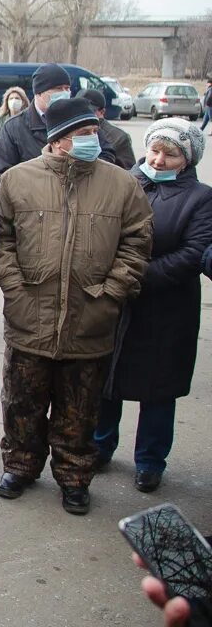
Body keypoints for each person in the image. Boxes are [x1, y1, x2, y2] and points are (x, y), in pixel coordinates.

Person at [0, 95, 152, 515]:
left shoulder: (121, 184)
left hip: (91, 317)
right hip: (31, 315)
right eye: (82, 134)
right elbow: (1, 241)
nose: (91, 139)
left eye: (93, 132)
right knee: (22, 402)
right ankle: (21, 466)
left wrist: (113, 291)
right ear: (59, 139)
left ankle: (74, 477)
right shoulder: (17, 180)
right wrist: (14, 288)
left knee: (79, 409)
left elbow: (137, 242)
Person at [94, 119, 212, 492]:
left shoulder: (201, 198)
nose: (159, 160)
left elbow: (193, 253)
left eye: (170, 154)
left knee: (158, 388)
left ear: (187, 159)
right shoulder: (123, 182)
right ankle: (99, 445)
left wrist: (135, 276)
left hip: (166, 307)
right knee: (106, 380)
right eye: (155, 151)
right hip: (117, 303)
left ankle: (150, 459)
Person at [0, 63, 80, 186]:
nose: (65, 93)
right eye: (59, 88)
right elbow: (0, 175)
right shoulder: (13, 127)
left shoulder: (79, 122)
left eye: (67, 88)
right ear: (39, 93)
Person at [78, 88, 135, 169]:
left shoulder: (119, 138)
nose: (82, 115)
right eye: (79, 110)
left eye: (88, 111)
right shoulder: (71, 131)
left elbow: (129, 174)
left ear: (102, 112)